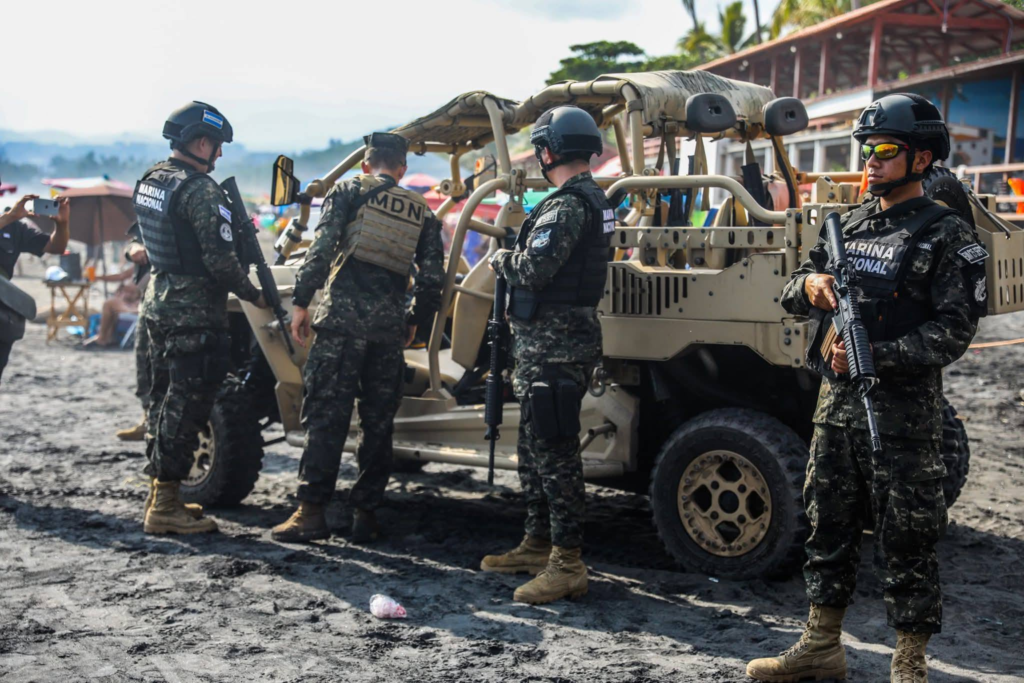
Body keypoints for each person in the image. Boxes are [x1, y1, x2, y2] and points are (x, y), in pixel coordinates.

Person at [746, 94, 985, 683]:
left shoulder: (947, 234)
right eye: (865, 151)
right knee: (827, 526)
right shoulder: (849, 225)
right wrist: (814, 288)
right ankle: (822, 644)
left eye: (884, 151)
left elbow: (953, 332)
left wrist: (879, 355)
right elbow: (792, 288)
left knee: (908, 536)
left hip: (902, 416)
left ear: (922, 158)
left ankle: (909, 661)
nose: (869, 162)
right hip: (835, 412)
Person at [271, 132, 444, 544]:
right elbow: (432, 278)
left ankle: (311, 513)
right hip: (387, 331)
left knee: (327, 418)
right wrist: (414, 319)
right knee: (378, 424)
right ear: (402, 169)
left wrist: (300, 301)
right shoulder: (423, 212)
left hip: (340, 326)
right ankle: (366, 515)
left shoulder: (348, 190)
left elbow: (324, 246)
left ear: (366, 164)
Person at [481, 106, 613, 605]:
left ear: (548, 151)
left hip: (555, 350)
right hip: (553, 347)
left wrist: (500, 257)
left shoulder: (567, 206)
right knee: (534, 450)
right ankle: (538, 543)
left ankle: (566, 563)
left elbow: (533, 271)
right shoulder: (590, 200)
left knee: (556, 455)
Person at [132, 101, 267, 535]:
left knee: (160, 403)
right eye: (219, 146)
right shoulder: (202, 191)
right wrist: (255, 295)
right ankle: (166, 504)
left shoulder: (154, 179)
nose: (220, 156)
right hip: (193, 314)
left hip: (159, 302)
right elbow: (221, 264)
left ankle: (159, 494)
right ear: (202, 141)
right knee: (188, 407)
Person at [0, 192, 70, 384]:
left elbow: (55, 247)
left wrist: (61, 224)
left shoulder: (14, 228)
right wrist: (8, 217)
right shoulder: (9, 220)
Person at [115, 224, 152, 441]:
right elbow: (131, 245)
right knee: (144, 362)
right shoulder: (153, 206)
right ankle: (147, 419)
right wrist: (135, 248)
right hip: (148, 303)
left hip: (177, 301)